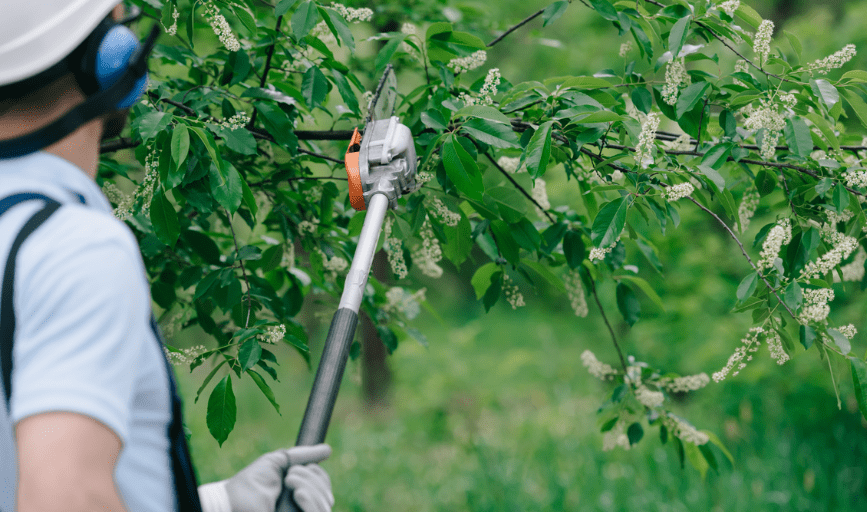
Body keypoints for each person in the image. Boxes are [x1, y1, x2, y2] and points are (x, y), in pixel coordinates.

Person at [0, 2, 334, 512]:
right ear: (105, 58)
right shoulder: (74, 248)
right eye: (118, 25)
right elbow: (62, 497)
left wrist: (216, 503)